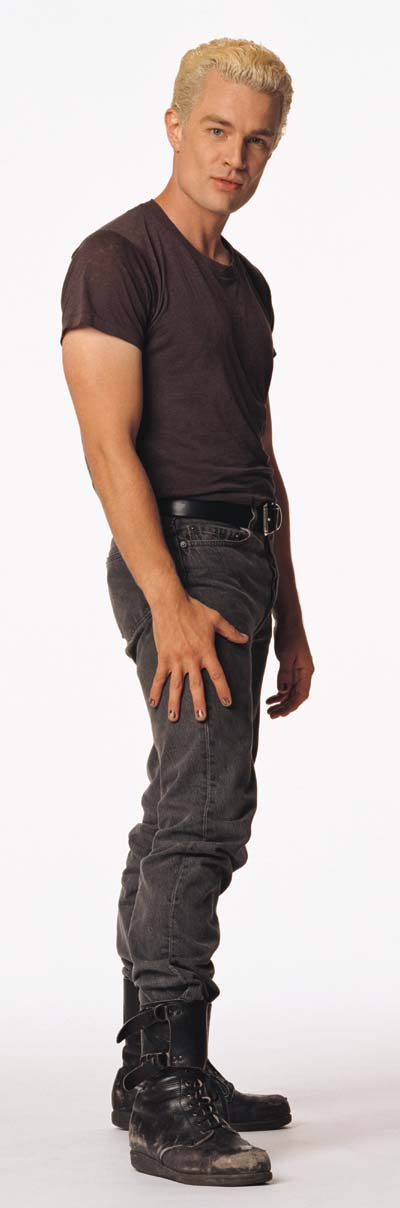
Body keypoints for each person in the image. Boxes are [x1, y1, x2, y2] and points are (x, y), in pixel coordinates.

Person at [60, 35, 314, 1189]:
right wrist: (165, 596)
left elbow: (260, 453)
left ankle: (159, 1062)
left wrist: (293, 612)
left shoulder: (246, 286)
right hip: (178, 554)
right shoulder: (117, 258)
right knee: (203, 814)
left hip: (242, 553)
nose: (234, 157)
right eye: (216, 130)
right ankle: (164, 1088)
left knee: (188, 798)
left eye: (256, 140)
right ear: (174, 125)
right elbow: (106, 443)